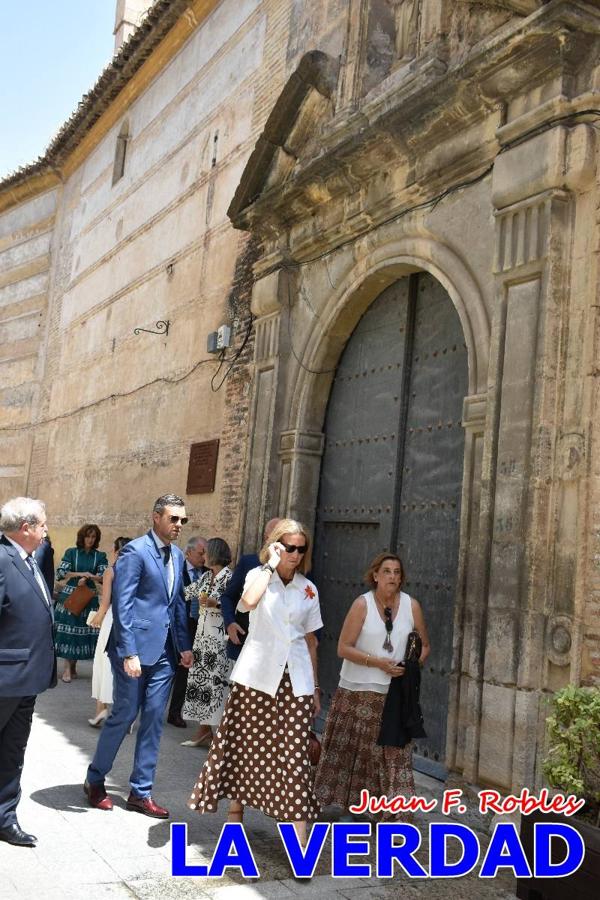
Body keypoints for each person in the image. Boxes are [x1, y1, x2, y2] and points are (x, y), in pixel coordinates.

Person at [188, 519, 322, 847]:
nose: (295, 553)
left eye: (300, 549)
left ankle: (299, 843)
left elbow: (311, 641)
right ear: (276, 545)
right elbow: (246, 603)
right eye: (288, 547)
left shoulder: (309, 589)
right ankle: (236, 812)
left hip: (297, 681)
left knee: (294, 757)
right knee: (245, 745)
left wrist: (316, 687)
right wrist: (271, 564)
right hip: (256, 678)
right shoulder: (257, 576)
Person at [84, 494, 193, 817]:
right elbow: (124, 604)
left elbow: (175, 605)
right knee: (124, 715)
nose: (179, 526)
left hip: (164, 654)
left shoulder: (177, 555)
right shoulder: (135, 551)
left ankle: (140, 792)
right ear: (156, 517)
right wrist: (129, 652)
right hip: (131, 651)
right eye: (174, 519)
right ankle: (95, 780)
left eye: (183, 520)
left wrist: (183, 646)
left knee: (154, 722)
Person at [314, 553, 430, 820]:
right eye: (387, 571)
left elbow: (425, 645)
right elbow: (343, 648)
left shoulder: (412, 606)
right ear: (375, 575)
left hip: (393, 693)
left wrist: (412, 669)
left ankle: (391, 815)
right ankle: (341, 803)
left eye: (397, 572)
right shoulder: (361, 605)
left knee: (391, 753)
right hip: (356, 691)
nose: (392, 577)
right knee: (349, 750)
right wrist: (378, 663)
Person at [0, 497, 56, 846]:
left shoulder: (30, 559)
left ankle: (5, 817)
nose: (46, 529)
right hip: (5, 676)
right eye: (42, 525)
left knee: (12, 752)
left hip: (27, 678)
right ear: (26, 528)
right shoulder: (3, 560)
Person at [181, 538, 233, 746]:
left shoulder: (230, 578)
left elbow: (238, 605)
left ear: (214, 554)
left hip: (220, 641)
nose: (203, 557)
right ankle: (203, 731)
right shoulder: (204, 577)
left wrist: (217, 603)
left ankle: (220, 736)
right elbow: (186, 593)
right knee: (201, 683)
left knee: (216, 686)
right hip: (202, 640)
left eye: (206, 553)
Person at [220, 518, 280, 664]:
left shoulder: (300, 572)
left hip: (280, 651)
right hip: (247, 644)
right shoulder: (249, 563)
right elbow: (228, 597)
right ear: (267, 538)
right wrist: (230, 622)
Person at [54, 524, 108, 683]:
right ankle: (66, 669)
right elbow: (61, 573)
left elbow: (105, 576)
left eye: (93, 537)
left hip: (88, 596)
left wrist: (90, 577)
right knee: (69, 631)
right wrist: (81, 574)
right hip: (71, 595)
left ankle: (73, 667)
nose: (90, 540)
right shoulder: (71, 552)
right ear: (82, 537)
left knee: (81, 631)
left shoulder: (100, 556)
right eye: (88, 536)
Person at [88, 537, 132, 727]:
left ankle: (101, 709)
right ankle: (126, 716)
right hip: (130, 620)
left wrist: (96, 618)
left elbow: (105, 604)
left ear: (116, 551)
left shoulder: (111, 571)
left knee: (104, 662)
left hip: (112, 619)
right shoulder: (136, 572)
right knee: (126, 666)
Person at [167, 535, 208, 728]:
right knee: (168, 668)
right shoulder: (176, 569)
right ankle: (155, 706)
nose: (204, 557)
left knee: (185, 671)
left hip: (197, 626)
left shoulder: (208, 573)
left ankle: (175, 712)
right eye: (201, 553)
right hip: (177, 623)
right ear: (189, 552)